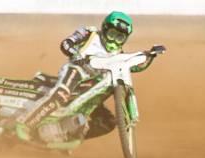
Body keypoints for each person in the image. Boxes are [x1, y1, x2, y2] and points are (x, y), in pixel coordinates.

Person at [15, 11, 155, 143]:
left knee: (107, 122)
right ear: (105, 28)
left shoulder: (118, 53)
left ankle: (66, 136)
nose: (114, 41)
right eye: (112, 34)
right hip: (77, 71)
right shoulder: (89, 33)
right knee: (61, 94)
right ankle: (25, 124)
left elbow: (132, 67)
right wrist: (76, 55)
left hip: (95, 87)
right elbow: (66, 43)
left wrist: (150, 57)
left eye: (120, 37)